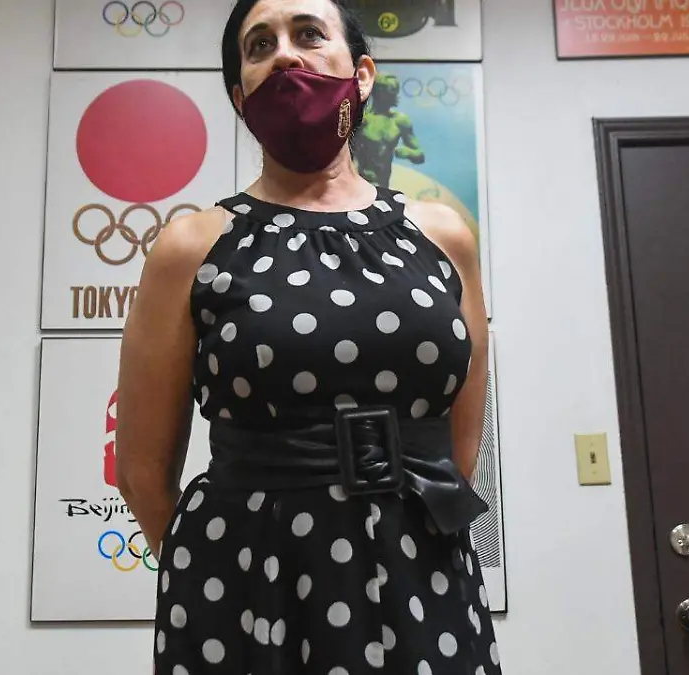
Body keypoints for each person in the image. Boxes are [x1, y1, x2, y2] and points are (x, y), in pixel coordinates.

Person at [115, 0, 498, 672]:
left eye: (309, 34)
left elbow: (460, 448)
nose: (285, 55)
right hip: (247, 582)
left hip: (424, 571)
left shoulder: (443, 235)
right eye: (259, 45)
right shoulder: (189, 248)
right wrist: (212, 572)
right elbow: (142, 472)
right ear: (241, 97)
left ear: (362, 74)